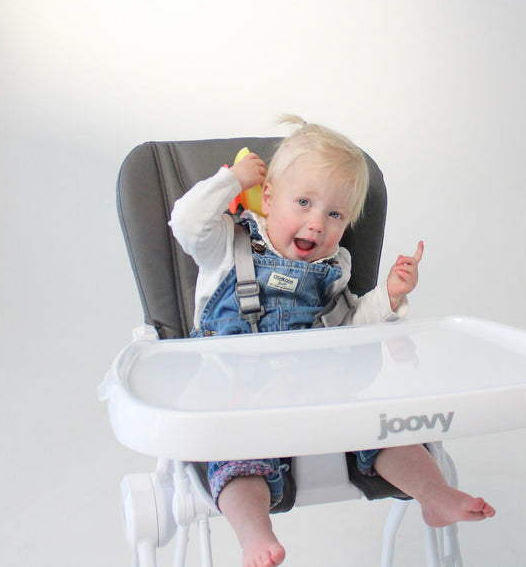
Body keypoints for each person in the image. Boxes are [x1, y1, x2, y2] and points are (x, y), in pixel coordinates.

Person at [169, 117, 495, 567]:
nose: (316, 223)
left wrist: (390, 296)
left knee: (387, 433)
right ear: (266, 199)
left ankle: (434, 495)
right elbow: (184, 223)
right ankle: (256, 534)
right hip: (239, 403)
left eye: (335, 214)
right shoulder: (228, 244)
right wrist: (230, 181)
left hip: (323, 397)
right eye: (303, 202)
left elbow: (349, 325)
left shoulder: (334, 268)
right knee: (239, 465)